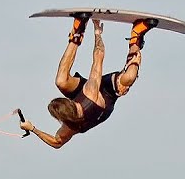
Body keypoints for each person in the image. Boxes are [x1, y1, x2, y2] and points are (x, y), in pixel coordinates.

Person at [19, 15, 153, 148]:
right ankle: (136, 37)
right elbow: (98, 56)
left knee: (60, 81)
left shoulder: (68, 127)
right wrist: (97, 32)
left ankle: (77, 32)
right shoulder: (87, 98)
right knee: (129, 77)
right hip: (106, 92)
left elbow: (57, 142)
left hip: (87, 92)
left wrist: (32, 128)